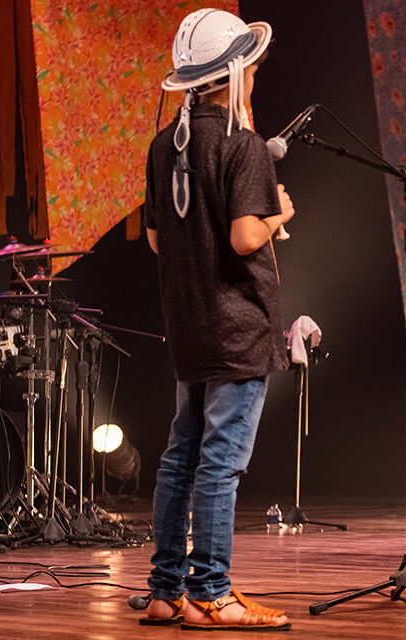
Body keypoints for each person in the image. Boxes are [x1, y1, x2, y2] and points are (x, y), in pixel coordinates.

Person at [141, 8, 295, 630]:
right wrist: (278, 212)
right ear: (232, 72)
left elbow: (156, 239)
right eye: (251, 66)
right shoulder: (243, 143)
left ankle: (164, 590)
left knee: (182, 455)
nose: (256, 75)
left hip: (190, 322)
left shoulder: (163, 145)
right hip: (238, 325)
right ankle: (212, 594)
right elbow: (241, 237)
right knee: (221, 462)